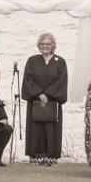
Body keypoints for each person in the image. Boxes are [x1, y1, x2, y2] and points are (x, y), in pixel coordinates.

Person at [22, 33, 69, 162]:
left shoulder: (61, 62)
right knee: (35, 128)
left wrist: (47, 94)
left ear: (53, 45)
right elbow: (28, 79)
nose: (45, 46)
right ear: (39, 46)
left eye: (48, 44)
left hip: (53, 101)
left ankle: (51, 156)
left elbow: (62, 81)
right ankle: (35, 156)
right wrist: (39, 94)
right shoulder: (32, 60)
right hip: (35, 100)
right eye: (42, 44)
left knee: (51, 127)